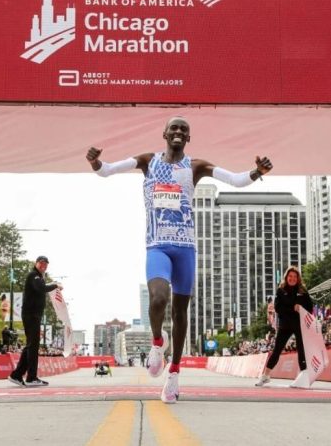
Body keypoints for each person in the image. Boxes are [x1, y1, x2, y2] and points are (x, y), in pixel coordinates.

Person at [86, 116, 272, 403]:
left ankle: (173, 375)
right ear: (164, 133)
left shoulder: (195, 166)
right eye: (174, 127)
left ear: (189, 138)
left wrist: (257, 172)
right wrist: (96, 163)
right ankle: (158, 343)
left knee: (181, 313)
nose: (178, 132)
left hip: (185, 248)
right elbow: (108, 170)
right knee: (158, 299)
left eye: (184, 129)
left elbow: (235, 179)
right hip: (157, 246)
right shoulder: (149, 162)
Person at [8, 256, 62, 387]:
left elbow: (42, 287)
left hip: (33, 315)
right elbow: (41, 288)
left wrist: (53, 285)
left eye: (45, 264)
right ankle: (31, 377)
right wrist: (55, 285)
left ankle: (17, 374)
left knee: (31, 345)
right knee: (33, 346)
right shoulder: (34, 275)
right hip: (31, 315)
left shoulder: (39, 277)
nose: (43, 265)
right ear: (36, 264)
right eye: (41, 263)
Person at [255, 266, 313, 388]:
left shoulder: (303, 291)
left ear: (298, 278)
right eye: (290, 276)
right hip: (285, 325)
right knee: (276, 351)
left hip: (299, 325)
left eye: (295, 277)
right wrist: (293, 308)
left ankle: (304, 376)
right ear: (286, 277)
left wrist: (300, 307)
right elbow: (278, 308)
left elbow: (310, 308)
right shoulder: (281, 290)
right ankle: (265, 376)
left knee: (301, 350)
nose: (292, 279)